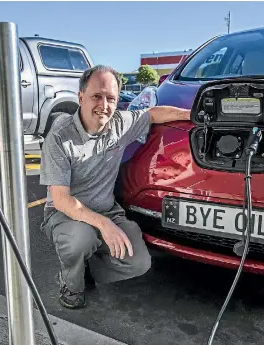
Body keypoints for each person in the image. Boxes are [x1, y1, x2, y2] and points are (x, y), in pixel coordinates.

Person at [39, 65, 190, 309]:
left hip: (106, 210)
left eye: (111, 98)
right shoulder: (59, 137)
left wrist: (192, 115)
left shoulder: (120, 123)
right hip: (65, 215)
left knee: (139, 262)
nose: (104, 105)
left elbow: (154, 114)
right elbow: (61, 200)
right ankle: (71, 284)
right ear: (81, 97)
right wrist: (103, 224)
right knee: (79, 240)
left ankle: (84, 268)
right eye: (96, 96)